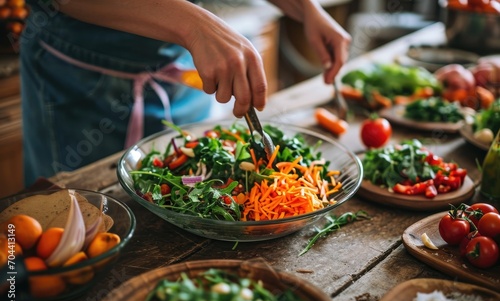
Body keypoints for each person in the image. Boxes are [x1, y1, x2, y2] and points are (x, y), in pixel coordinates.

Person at [20, 0, 351, 187]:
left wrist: (304, 7)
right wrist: (194, 25)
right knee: (74, 227)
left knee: (189, 185)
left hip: (180, 66)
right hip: (80, 80)